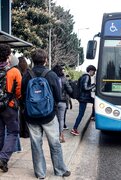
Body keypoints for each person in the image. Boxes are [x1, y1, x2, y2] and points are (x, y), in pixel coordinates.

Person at [21, 49, 70, 179]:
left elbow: (22, 95)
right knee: (54, 143)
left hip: (31, 116)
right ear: (45, 60)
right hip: (48, 116)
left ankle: (40, 173)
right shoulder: (51, 75)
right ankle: (60, 170)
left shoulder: (26, 75)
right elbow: (59, 97)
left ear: (32, 60)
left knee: (36, 144)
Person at [0, 44, 22, 172]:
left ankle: (2, 158)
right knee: (13, 132)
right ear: (8, 56)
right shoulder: (14, 71)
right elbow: (19, 91)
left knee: (1, 133)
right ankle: (3, 158)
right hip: (9, 106)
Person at [70, 65, 96, 136]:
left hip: (83, 98)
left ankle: (93, 116)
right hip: (84, 98)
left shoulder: (83, 76)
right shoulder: (87, 77)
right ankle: (74, 129)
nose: (94, 73)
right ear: (91, 71)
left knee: (95, 102)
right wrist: (94, 85)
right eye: (94, 72)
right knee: (81, 114)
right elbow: (85, 88)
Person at [52, 64, 72, 143]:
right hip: (63, 101)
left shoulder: (52, 78)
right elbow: (70, 90)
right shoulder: (64, 79)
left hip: (54, 102)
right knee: (61, 119)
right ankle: (60, 136)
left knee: (54, 119)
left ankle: (54, 135)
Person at [18, 56, 30, 138]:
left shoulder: (17, 71)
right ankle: (26, 132)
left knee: (21, 115)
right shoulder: (29, 72)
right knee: (27, 115)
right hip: (27, 96)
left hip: (20, 96)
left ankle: (21, 132)